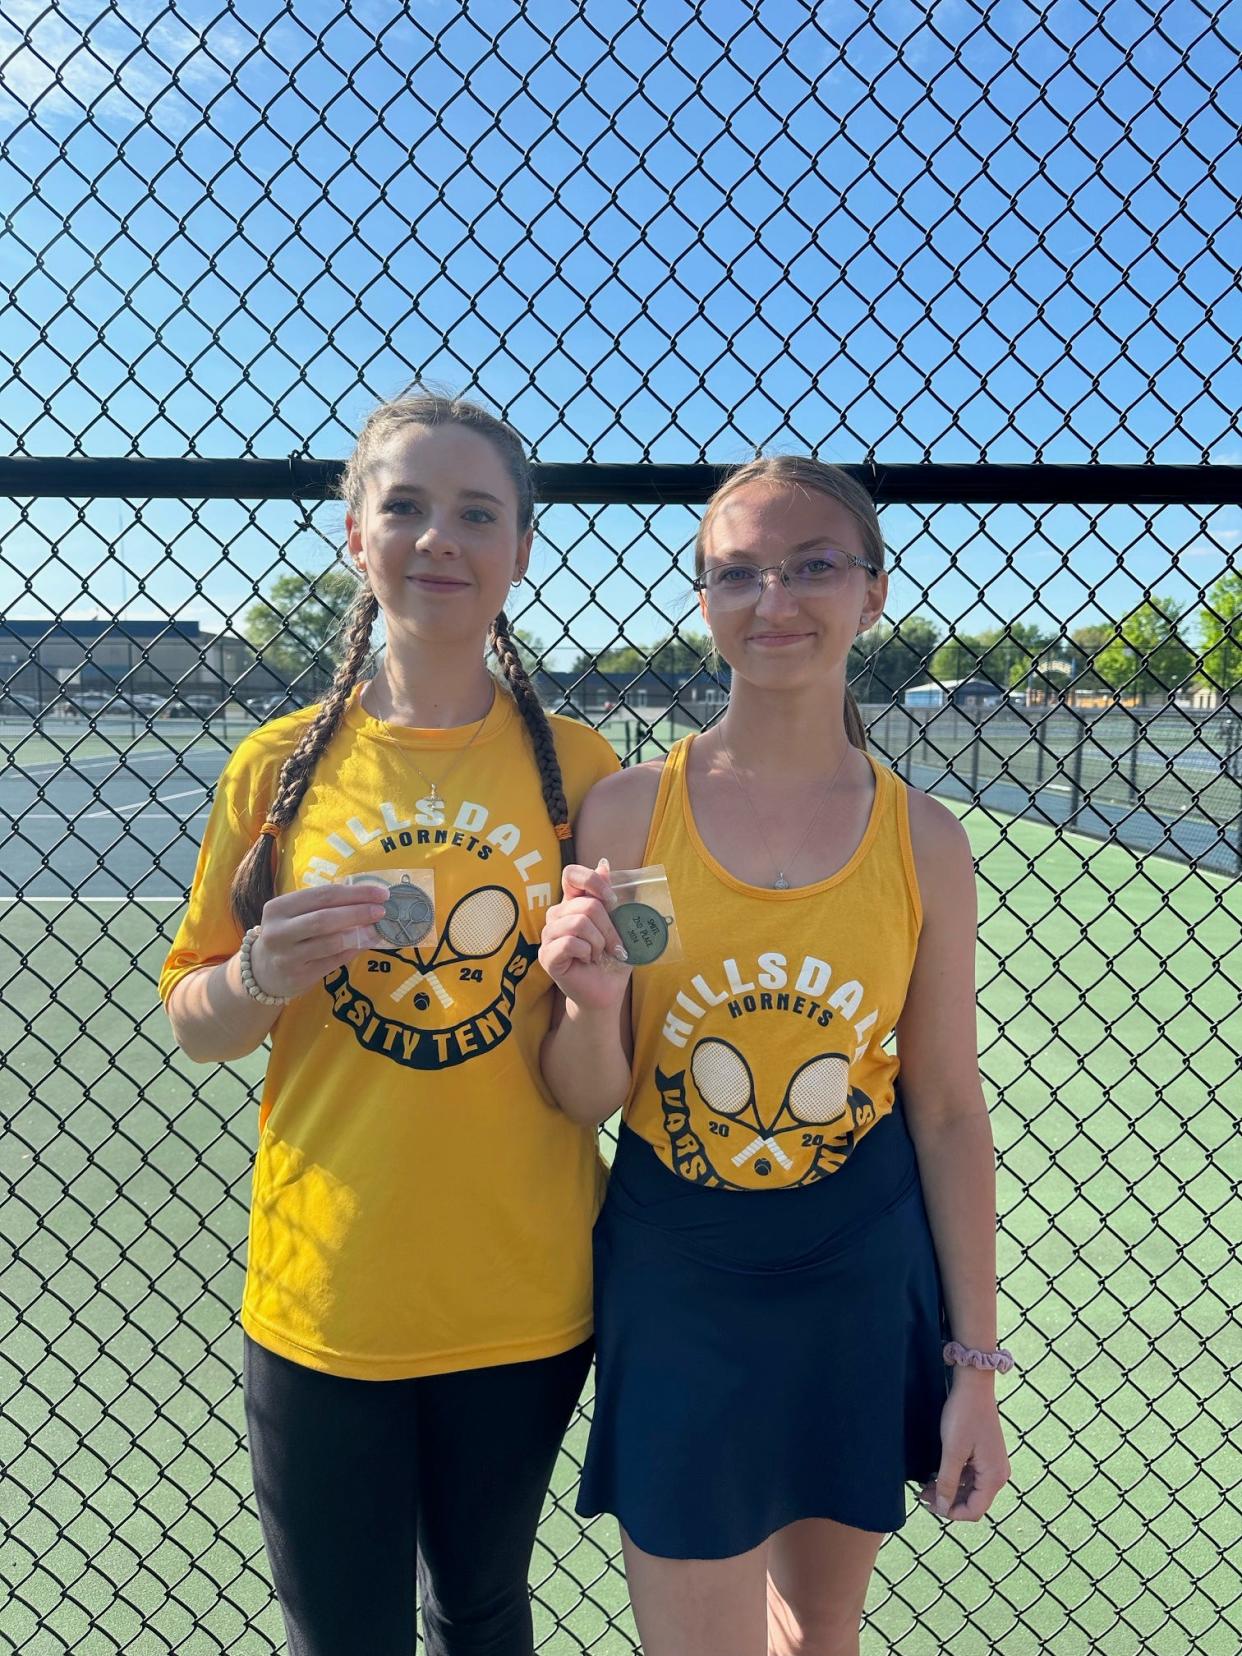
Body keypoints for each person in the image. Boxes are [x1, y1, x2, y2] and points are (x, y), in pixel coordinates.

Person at [159, 391, 619, 1656]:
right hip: (327, 1290)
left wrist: (599, 992)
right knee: (342, 1635)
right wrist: (256, 972)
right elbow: (200, 1020)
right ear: (355, 536)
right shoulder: (273, 768)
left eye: (477, 513)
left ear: (522, 548)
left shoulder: (585, 773)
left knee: (479, 1612)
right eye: (405, 506)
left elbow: (602, 1077)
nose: (440, 539)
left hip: (524, 1294)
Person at [538, 456, 1012, 1656]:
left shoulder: (925, 841)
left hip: (857, 1273)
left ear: (874, 592)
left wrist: (975, 1370)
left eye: (812, 566)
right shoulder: (633, 814)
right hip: (681, 1273)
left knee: (820, 1639)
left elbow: (948, 1110)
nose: (774, 600)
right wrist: (592, 1007)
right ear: (705, 599)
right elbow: (593, 1091)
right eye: (738, 572)